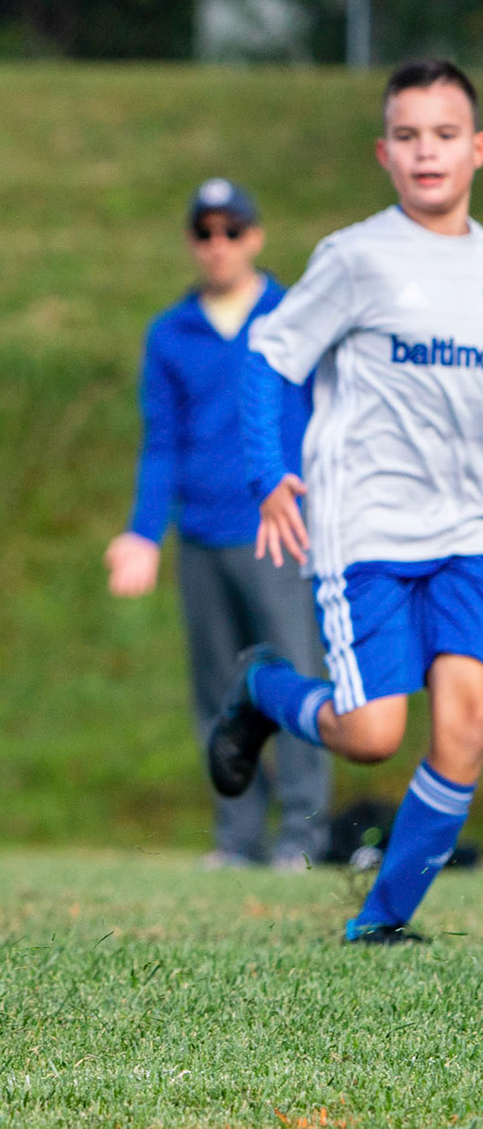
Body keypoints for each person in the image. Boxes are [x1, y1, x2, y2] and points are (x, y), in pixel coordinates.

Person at [208, 58, 483, 944]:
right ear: (383, 153)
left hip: (468, 536)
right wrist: (269, 474)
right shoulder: (357, 257)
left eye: (445, 134)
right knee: (371, 736)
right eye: (408, 136)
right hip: (369, 534)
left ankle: (380, 921)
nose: (426, 151)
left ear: (477, 149)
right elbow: (267, 357)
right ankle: (261, 688)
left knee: (466, 727)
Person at [104, 179, 330, 869]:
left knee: (295, 678)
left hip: (282, 530)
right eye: (205, 232)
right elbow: (162, 442)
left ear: (255, 237)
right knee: (220, 692)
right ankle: (237, 838)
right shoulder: (170, 332)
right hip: (203, 534)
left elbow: (327, 420)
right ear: (191, 242)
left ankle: (304, 835)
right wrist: (145, 533)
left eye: (232, 230)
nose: (218, 244)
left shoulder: (292, 314)